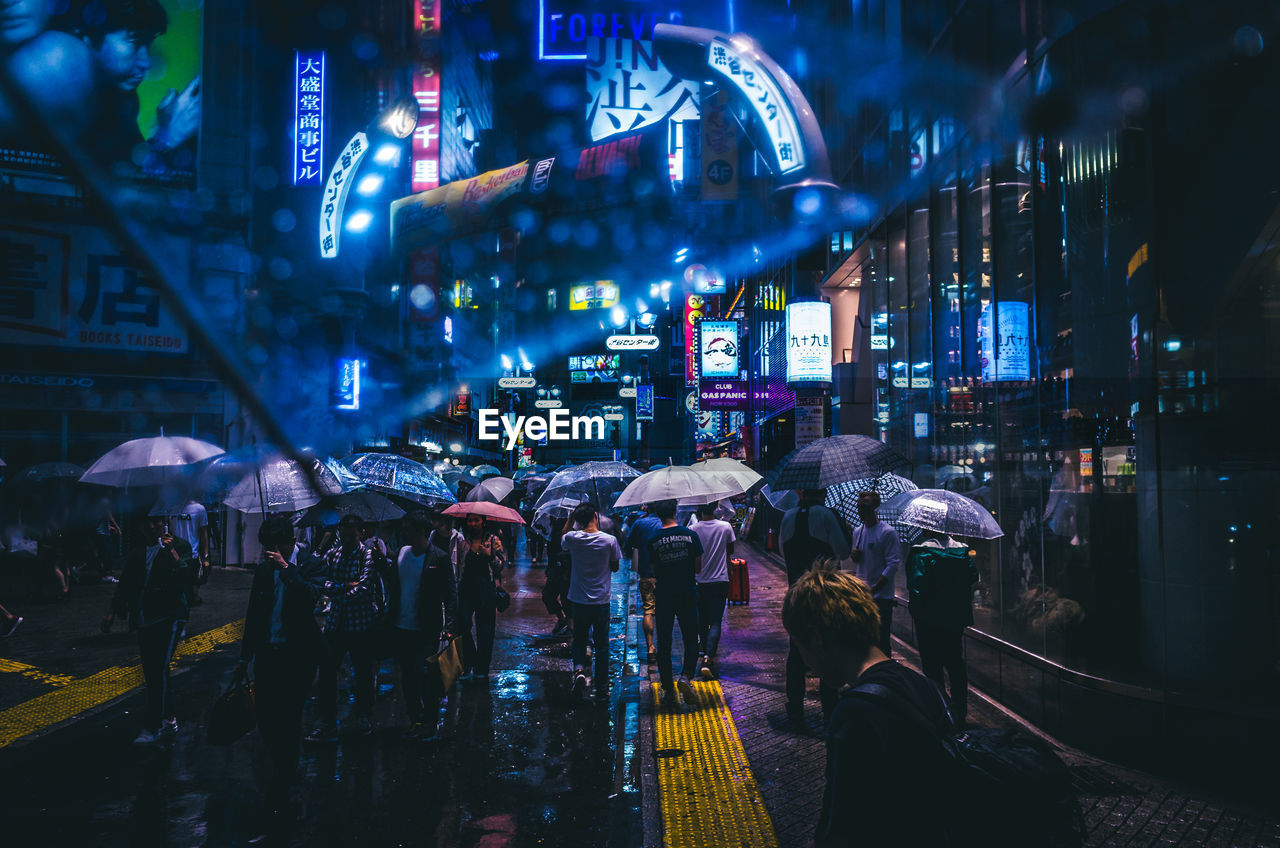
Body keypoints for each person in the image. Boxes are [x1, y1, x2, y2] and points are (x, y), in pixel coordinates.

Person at [782, 563, 953, 847]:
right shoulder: (926, 686)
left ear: (816, 638)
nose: (805, 663)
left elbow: (840, 830)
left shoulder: (854, 713)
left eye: (800, 648)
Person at [234, 516, 325, 811]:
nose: (270, 552)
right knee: (267, 717)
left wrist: (286, 569)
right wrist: (244, 657)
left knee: (289, 715)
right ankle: (281, 765)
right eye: (266, 548)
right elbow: (255, 613)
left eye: (275, 547)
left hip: (297, 656)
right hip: (267, 653)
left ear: (289, 542)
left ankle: (286, 774)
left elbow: (311, 597)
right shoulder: (263, 570)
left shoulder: (311, 563)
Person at [55, 0, 201, 169]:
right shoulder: (57, 91)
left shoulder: (121, 99)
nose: (146, 62)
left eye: (148, 43)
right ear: (87, 34)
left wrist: (165, 129)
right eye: (134, 41)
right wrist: (170, 137)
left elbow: (130, 174)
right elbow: (99, 185)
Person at [102, 514, 195, 745]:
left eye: (156, 521)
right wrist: (112, 613)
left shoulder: (179, 545)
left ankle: (153, 725)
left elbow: (187, 576)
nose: (152, 526)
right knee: (153, 672)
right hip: (144, 616)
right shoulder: (139, 550)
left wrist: (171, 551)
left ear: (164, 522)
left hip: (170, 615)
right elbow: (127, 582)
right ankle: (169, 718)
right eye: (147, 522)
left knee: (159, 669)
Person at [779, 489, 851, 725]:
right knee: (828, 648)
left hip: (797, 593)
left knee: (797, 651)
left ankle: (795, 708)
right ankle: (830, 709)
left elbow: (782, 551)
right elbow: (842, 551)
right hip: (823, 593)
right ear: (821, 492)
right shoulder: (826, 515)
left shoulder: (788, 516)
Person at [308, 514, 381, 741]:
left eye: (352, 535)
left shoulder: (367, 555)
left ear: (362, 534)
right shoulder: (334, 554)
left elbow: (364, 588)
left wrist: (336, 592)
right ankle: (328, 723)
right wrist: (343, 586)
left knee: (363, 675)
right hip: (335, 625)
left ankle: (363, 717)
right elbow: (321, 581)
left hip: (361, 625)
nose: (347, 539)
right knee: (327, 674)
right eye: (344, 535)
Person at [387, 511, 458, 740]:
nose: (402, 532)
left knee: (427, 677)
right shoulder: (401, 553)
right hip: (401, 627)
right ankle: (416, 719)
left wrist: (450, 626)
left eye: (407, 528)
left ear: (420, 531)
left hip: (426, 628)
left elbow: (450, 594)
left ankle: (429, 721)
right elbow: (393, 583)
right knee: (407, 677)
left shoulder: (439, 557)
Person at [906, 533, 978, 727]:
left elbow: (916, 586)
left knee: (932, 666)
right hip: (954, 619)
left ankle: (940, 711)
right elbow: (973, 576)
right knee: (955, 663)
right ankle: (960, 710)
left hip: (929, 620)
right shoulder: (961, 550)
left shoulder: (922, 552)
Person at [562, 503, 621, 700]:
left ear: (577, 520)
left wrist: (571, 518)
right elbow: (615, 566)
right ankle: (602, 687)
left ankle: (579, 671)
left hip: (578, 599)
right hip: (601, 601)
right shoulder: (609, 540)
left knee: (579, 640)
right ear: (596, 516)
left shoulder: (572, 538)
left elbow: (563, 536)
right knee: (602, 644)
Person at [647, 499, 702, 710]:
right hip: (687, 593)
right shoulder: (691, 535)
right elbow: (698, 568)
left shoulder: (653, 539)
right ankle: (686, 677)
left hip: (664, 595)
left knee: (665, 642)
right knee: (691, 639)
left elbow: (653, 569)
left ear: (658, 515)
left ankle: (668, 690)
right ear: (676, 511)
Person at [851, 491, 902, 657]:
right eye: (858, 506)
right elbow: (859, 562)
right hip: (862, 596)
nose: (860, 510)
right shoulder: (858, 531)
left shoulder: (887, 533)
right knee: (864, 640)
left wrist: (875, 588)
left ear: (875, 507)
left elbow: (893, 565)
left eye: (864, 506)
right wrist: (854, 555)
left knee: (881, 641)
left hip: (881, 598)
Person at [457, 514, 505, 680]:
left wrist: (490, 555)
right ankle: (471, 659)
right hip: (466, 588)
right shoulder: (463, 540)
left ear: (484, 522)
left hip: (486, 589)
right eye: (470, 520)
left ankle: (481, 669)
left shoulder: (493, 540)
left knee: (486, 630)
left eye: (476, 520)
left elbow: (500, 568)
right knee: (462, 624)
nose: (473, 523)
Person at [691, 501, 735, 678]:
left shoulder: (693, 529)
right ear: (716, 508)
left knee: (702, 620)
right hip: (721, 580)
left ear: (699, 509)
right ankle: (709, 656)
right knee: (716, 621)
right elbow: (730, 550)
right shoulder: (725, 527)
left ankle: (704, 649)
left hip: (700, 581)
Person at [625, 504, 664, 662]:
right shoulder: (667, 524)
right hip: (665, 575)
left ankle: (650, 648)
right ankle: (663, 646)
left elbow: (628, 547)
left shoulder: (639, 524)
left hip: (646, 574)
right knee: (664, 611)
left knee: (648, 610)